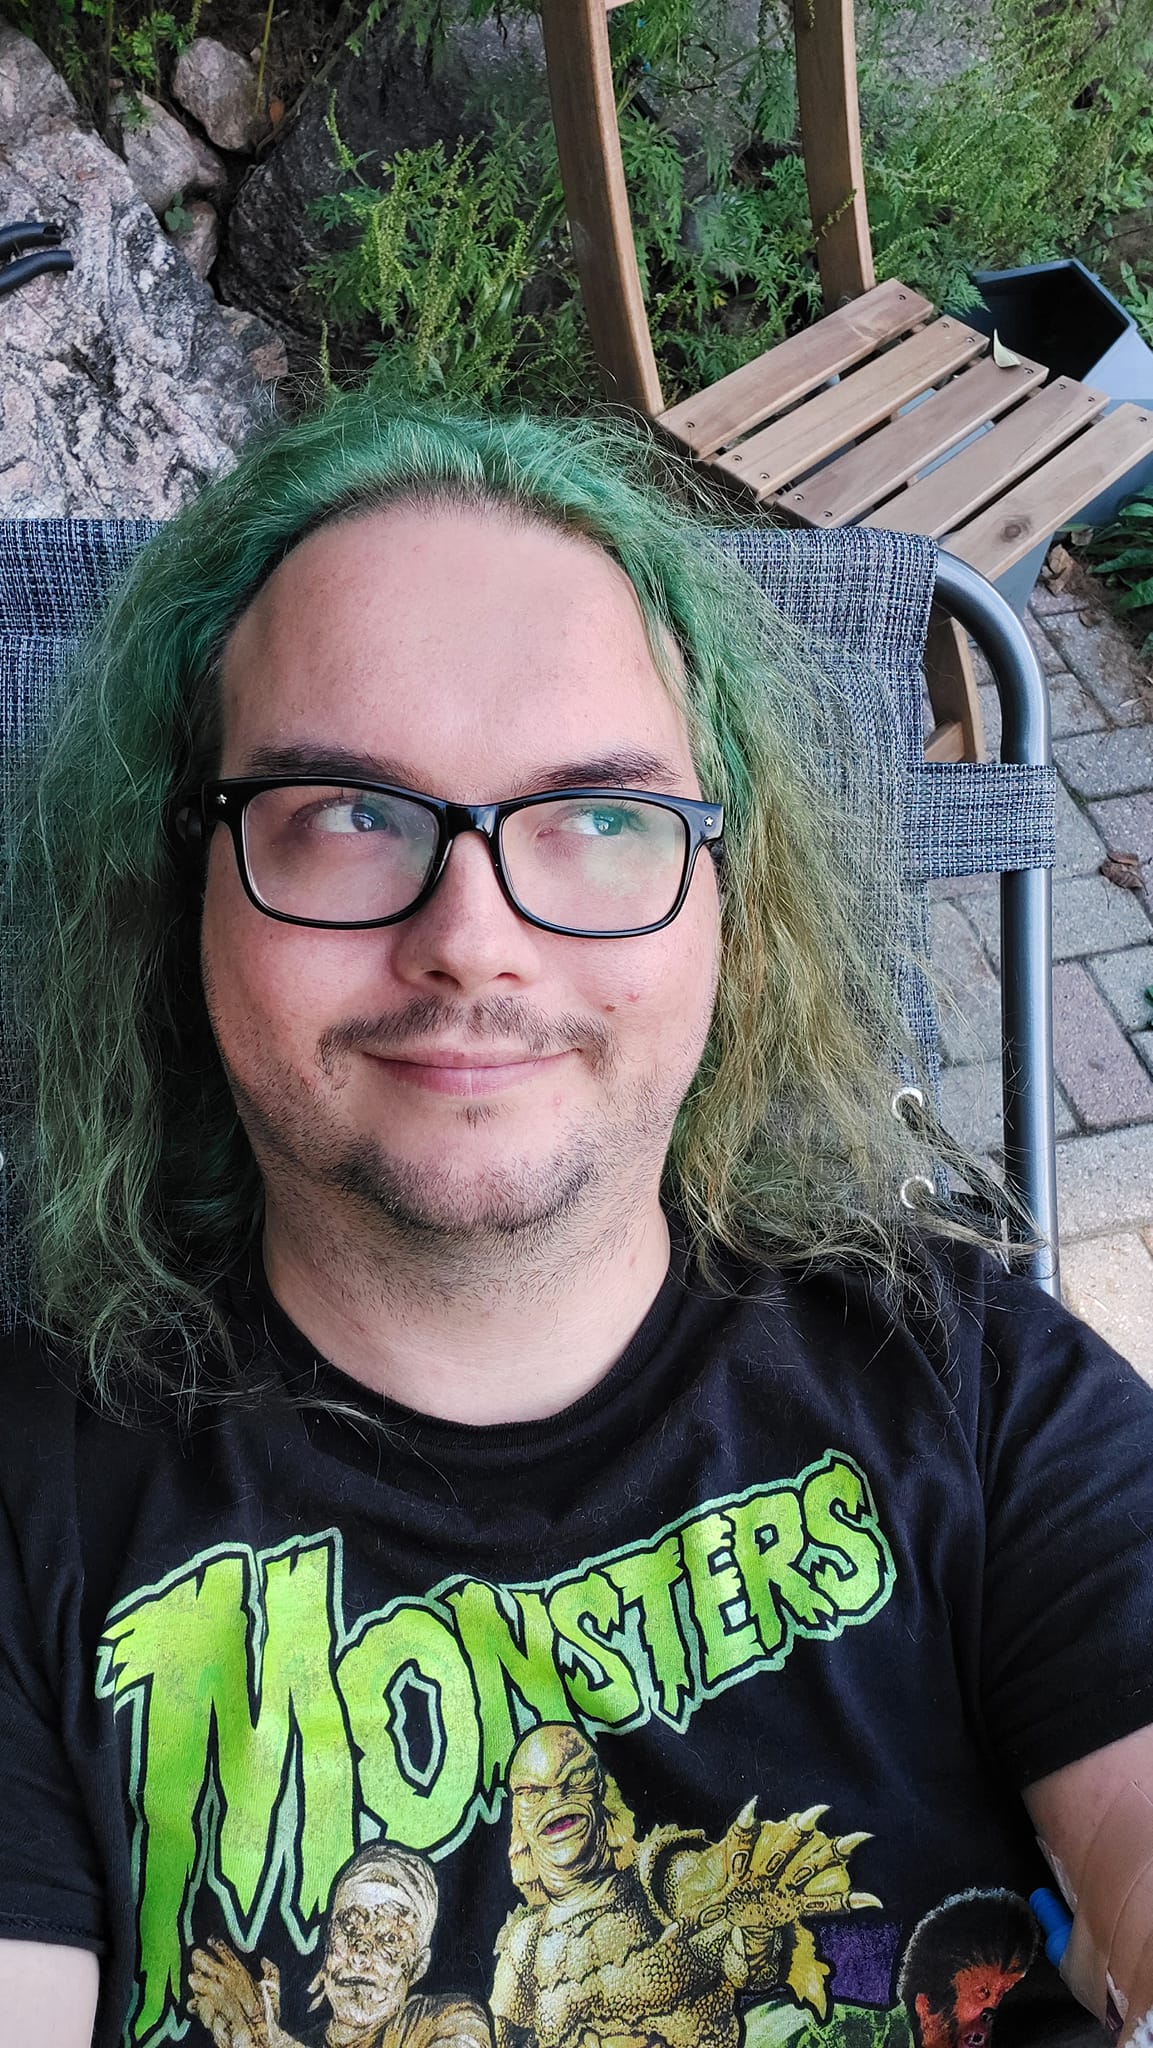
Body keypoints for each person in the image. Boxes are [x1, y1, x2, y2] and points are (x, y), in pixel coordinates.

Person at [1, 397, 1151, 2048]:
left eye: (600, 818)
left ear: (724, 909)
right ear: (181, 893)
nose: (470, 938)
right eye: (344, 812)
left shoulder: (974, 1388)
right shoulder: (24, 1497)